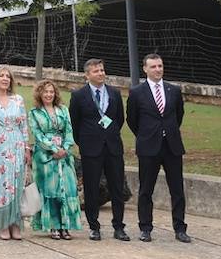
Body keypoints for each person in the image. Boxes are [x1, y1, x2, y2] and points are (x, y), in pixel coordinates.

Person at [126, 53, 190, 243]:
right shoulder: (137, 92)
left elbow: (178, 116)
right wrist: (146, 135)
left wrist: (167, 131)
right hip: (148, 147)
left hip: (172, 146)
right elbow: (132, 119)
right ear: (145, 69)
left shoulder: (174, 90)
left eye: (160, 66)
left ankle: (180, 228)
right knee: (146, 189)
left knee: (177, 189)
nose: (158, 70)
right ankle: (145, 228)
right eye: (153, 67)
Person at [68, 58, 129, 241]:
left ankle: (119, 226)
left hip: (112, 147)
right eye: (96, 71)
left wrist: (108, 134)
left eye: (102, 70)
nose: (100, 73)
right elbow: (75, 123)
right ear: (87, 75)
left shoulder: (114, 93)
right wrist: (85, 142)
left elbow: (119, 119)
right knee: (92, 188)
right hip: (90, 148)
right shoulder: (79, 96)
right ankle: (94, 226)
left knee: (116, 187)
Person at [29, 80, 82, 240]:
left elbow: (69, 131)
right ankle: (52, 225)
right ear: (40, 93)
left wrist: (65, 148)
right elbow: (37, 134)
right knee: (50, 190)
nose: (48, 94)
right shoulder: (34, 112)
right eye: (45, 91)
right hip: (45, 156)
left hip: (64, 155)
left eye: (51, 92)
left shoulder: (63, 110)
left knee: (68, 188)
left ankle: (66, 225)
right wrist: (53, 149)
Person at [0, 65, 30, 240]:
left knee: (17, 186)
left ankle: (15, 224)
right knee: (1, 186)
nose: (4, 79)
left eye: (7, 76)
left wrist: (26, 149)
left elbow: (24, 126)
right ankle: (3, 224)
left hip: (16, 146)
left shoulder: (18, 99)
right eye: (1, 76)